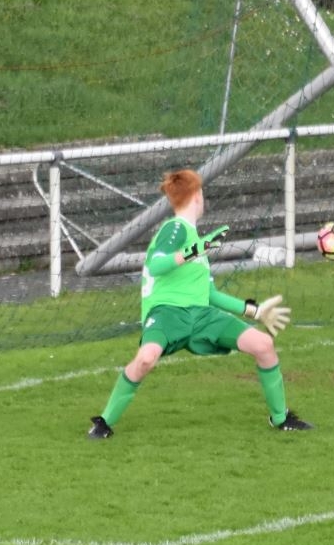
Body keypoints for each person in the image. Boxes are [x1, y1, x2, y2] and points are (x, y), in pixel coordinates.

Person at [88, 168, 312, 438]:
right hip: (167, 314)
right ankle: (103, 422)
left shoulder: (196, 241)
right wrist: (192, 251)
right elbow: (157, 265)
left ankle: (281, 418)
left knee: (263, 344)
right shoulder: (175, 229)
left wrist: (255, 311)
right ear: (197, 195)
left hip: (202, 315)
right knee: (146, 359)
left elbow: (210, 294)